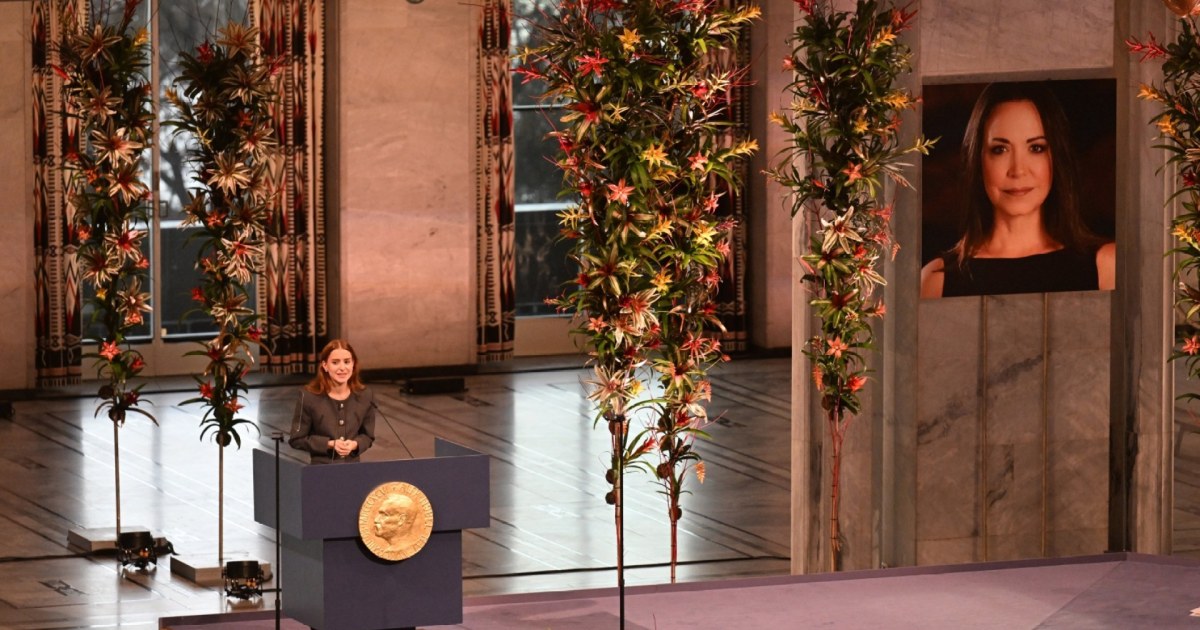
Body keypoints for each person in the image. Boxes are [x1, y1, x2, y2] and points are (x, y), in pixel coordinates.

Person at [920, 82, 1116, 298]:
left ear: (1055, 158)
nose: (1018, 170)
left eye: (1036, 148)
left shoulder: (1105, 267)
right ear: (977, 160)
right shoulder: (936, 281)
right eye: (1000, 149)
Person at [289, 339, 376, 464]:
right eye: (335, 362)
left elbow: (368, 436)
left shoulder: (365, 396)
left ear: (353, 364)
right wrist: (329, 444)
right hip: (321, 472)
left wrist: (355, 444)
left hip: (353, 471)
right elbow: (296, 439)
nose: (342, 368)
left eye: (347, 362)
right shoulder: (308, 397)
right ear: (325, 366)